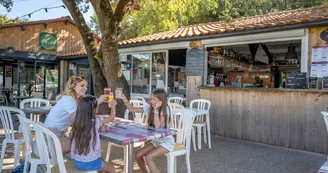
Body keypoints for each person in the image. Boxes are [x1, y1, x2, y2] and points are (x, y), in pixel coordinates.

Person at [44, 74, 105, 159]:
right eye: (82, 85)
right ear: (72, 86)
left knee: (81, 155)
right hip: (49, 141)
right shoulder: (69, 99)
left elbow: (82, 118)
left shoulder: (74, 99)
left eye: (86, 86)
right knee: (85, 149)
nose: (85, 88)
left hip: (52, 137)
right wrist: (98, 123)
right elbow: (80, 121)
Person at [119, 89, 175, 173]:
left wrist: (156, 110)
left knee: (149, 157)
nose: (151, 101)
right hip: (156, 140)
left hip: (166, 141)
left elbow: (157, 126)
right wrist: (124, 99)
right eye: (151, 98)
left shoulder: (165, 109)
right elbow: (131, 109)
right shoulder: (149, 108)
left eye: (154, 99)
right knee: (138, 155)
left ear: (161, 101)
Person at [71, 95, 116, 173]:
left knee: (101, 160)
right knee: (111, 168)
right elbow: (112, 117)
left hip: (77, 162)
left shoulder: (77, 121)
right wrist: (113, 106)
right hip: (89, 163)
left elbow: (89, 131)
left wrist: (99, 129)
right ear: (93, 109)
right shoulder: (95, 121)